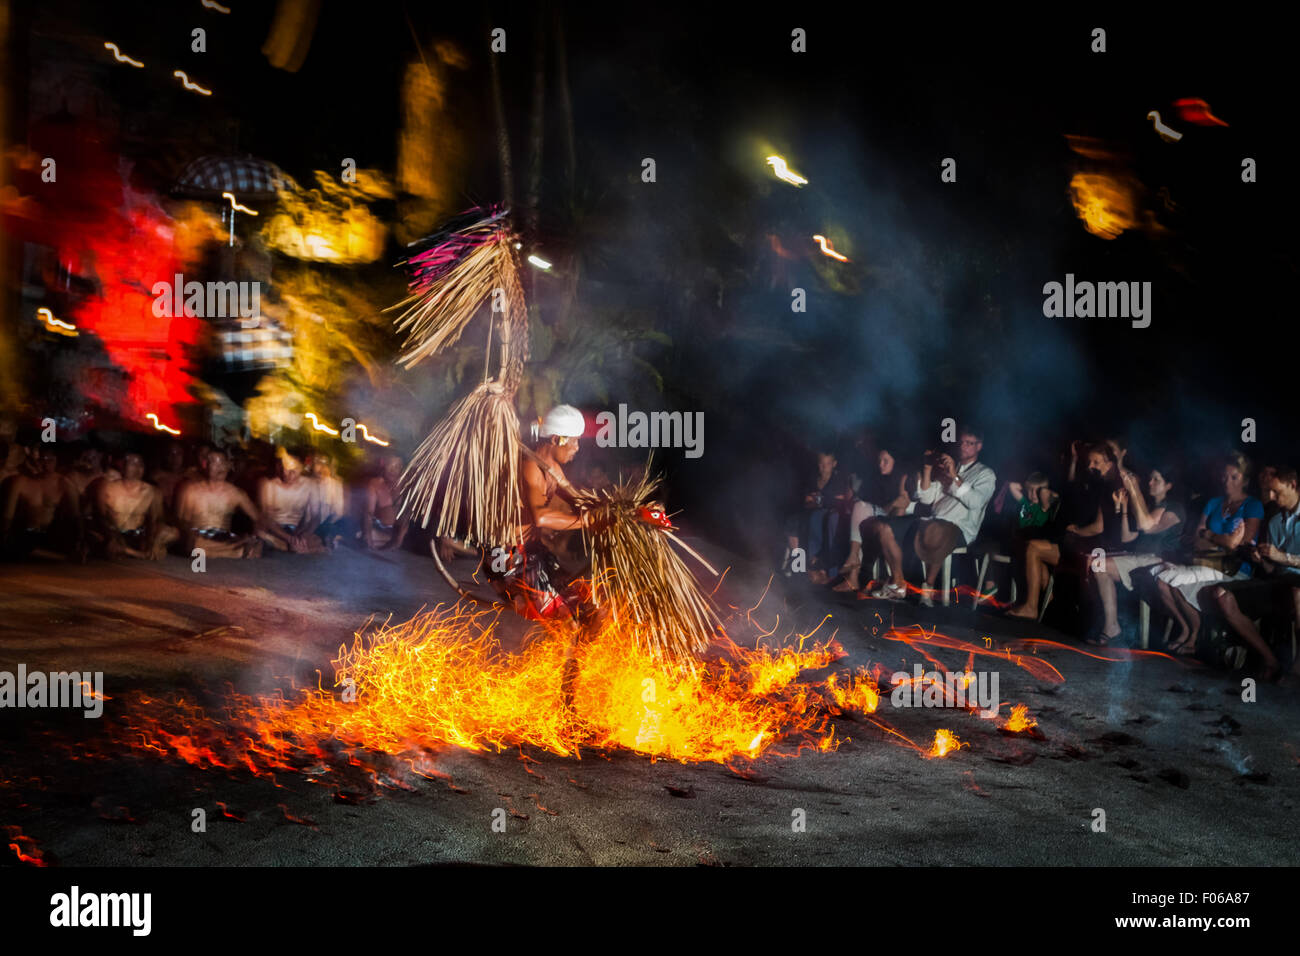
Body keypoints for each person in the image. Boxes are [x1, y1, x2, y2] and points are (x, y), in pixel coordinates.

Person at [859, 425, 996, 605]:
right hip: (929, 521)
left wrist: (954, 477)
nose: (963, 447)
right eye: (961, 442)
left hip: (960, 528)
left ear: (979, 446)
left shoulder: (985, 474)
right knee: (881, 526)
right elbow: (926, 498)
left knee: (936, 528)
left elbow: (976, 503)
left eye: (969, 443)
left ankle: (928, 587)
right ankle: (897, 583)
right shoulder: (949, 466)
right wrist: (927, 469)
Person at [1151, 452, 1264, 654]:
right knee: (1162, 578)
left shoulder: (1252, 506)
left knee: (1173, 580)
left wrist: (1209, 535)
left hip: (1234, 569)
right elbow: (1197, 539)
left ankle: (1194, 635)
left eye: (1234, 477)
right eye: (1224, 476)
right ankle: (1188, 629)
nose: (1227, 481)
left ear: (1245, 481)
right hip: (1206, 562)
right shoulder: (1214, 503)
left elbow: (1241, 546)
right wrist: (1222, 540)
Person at [1198, 467, 1300, 682]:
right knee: (1222, 595)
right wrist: (1261, 559)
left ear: (1293, 485)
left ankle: (1297, 666)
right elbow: (1273, 570)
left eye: (1276, 492)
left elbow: (1283, 561)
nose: (1271, 497)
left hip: (1296, 584)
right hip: (1277, 581)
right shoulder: (1274, 522)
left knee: (1297, 592)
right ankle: (1270, 659)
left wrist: (1283, 558)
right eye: (1269, 492)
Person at [1008, 443, 1123, 620]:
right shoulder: (1093, 485)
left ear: (1108, 465)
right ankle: (1049, 606)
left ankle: (1033, 608)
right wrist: (1074, 461)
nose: (1090, 466)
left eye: (1095, 462)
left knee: (1034, 547)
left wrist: (1076, 530)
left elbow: (1098, 527)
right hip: (1076, 545)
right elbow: (1071, 486)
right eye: (1089, 461)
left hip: (1093, 549)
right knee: (1032, 546)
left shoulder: (1108, 489)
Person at [1087, 466, 1184, 645]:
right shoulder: (1150, 506)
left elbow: (1146, 524)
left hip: (1159, 559)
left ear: (1169, 485)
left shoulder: (1174, 508)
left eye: (1156, 480)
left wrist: (1134, 489)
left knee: (1099, 565)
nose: (1150, 483)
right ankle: (1110, 626)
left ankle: (1111, 625)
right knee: (1096, 564)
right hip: (1139, 557)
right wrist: (1124, 509)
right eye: (1150, 479)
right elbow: (1127, 537)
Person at [834, 447, 910, 592]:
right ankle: (853, 561)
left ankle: (853, 565)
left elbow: (898, 515)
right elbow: (878, 504)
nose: (881, 464)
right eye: (880, 461)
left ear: (895, 462)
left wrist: (894, 504)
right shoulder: (879, 479)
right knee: (860, 507)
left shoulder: (903, 480)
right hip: (879, 519)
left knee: (860, 509)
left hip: (896, 527)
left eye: (885, 461)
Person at [175, 447, 264, 558]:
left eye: (221, 462)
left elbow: (258, 518)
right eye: (213, 461)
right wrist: (188, 533)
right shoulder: (190, 489)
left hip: (222, 537)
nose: (218, 466)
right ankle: (234, 553)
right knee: (192, 543)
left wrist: (253, 536)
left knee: (257, 544)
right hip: (198, 536)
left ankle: (214, 552)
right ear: (205, 464)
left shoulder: (235, 493)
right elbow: (181, 521)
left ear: (228, 465)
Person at [1, 444, 85, 560]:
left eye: (50, 460)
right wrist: (5, 536)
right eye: (42, 459)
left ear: (57, 461)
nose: (45, 464)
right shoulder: (20, 482)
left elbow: (76, 517)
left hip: (49, 536)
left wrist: (79, 542)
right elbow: (7, 517)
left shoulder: (64, 484)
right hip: (24, 535)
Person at [783, 447, 853, 582]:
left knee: (819, 519)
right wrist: (817, 501)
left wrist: (821, 500)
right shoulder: (813, 479)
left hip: (831, 514)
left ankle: (819, 566)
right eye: (821, 463)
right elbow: (808, 501)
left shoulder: (839, 479)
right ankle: (798, 564)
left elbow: (841, 501)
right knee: (793, 521)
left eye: (827, 464)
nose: (823, 467)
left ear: (834, 464)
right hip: (811, 512)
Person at [94, 452, 178, 560]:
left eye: (141, 464)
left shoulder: (152, 491)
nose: (137, 468)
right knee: (104, 542)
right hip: (113, 534)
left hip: (137, 536)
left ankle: (136, 552)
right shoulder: (108, 487)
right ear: (123, 466)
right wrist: (112, 536)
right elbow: (102, 516)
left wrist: (152, 542)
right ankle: (133, 553)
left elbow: (155, 520)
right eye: (133, 463)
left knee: (171, 532)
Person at [257, 447, 326, 553]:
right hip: (275, 530)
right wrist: (288, 538)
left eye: (293, 471)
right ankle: (292, 547)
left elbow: (316, 517)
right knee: (260, 533)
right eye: (284, 469)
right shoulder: (269, 484)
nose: (287, 474)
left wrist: (304, 534)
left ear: (302, 467)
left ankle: (292, 547)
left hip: (297, 530)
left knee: (318, 539)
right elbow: (267, 518)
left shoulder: (311, 485)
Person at [362, 455, 409, 551]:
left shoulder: (406, 485)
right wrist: (368, 535)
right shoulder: (375, 484)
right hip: (380, 529)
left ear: (401, 469)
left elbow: (407, 515)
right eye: (390, 465)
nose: (393, 470)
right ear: (384, 465)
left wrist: (399, 540)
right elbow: (369, 512)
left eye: (397, 466)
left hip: (399, 531)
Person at [306, 452, 348, 551]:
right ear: (312, 465)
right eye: (318, 464)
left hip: (324, 526)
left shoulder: (335, 485)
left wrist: (321, 528)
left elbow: (338, 513)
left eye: (325, 465)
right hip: (306, 526)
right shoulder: (306, 482)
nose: (322, 468)